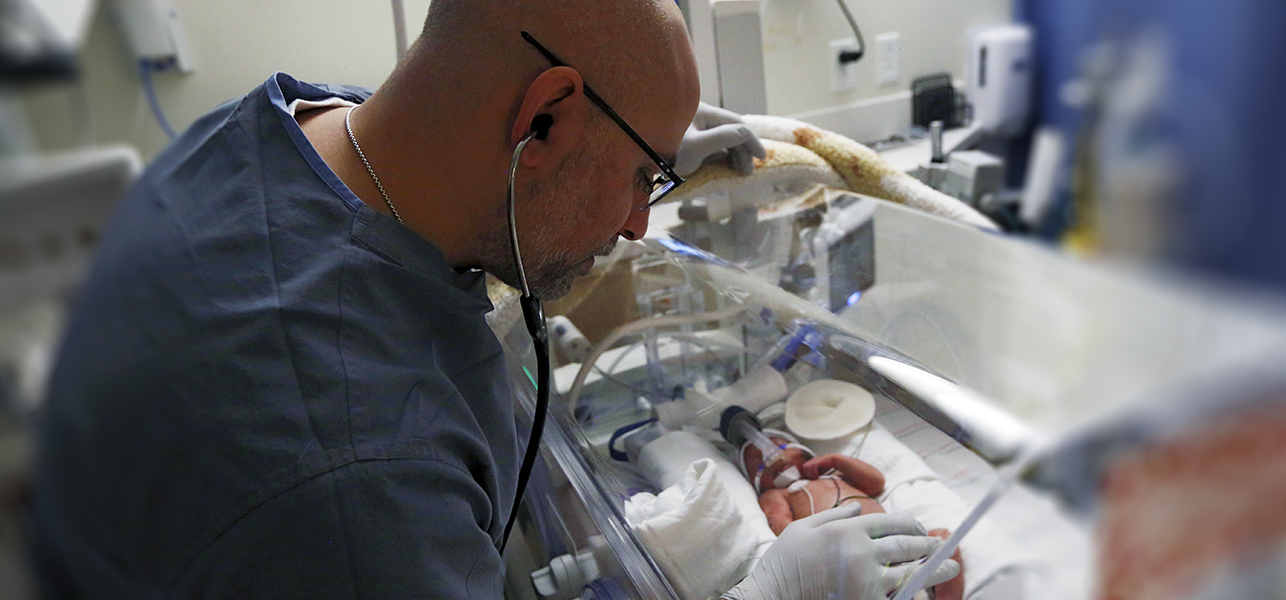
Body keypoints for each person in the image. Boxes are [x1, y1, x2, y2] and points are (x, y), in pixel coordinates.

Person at [30, 0, 951, 597]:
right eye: (641, 179)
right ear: (540, 120)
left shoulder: (291, 132)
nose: (639, 224)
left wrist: (648, 140)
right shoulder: (352, 475)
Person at [739, 434, 966, 600]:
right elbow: (783, 527)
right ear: (753, 482)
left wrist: (837, 460)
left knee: (945, 542)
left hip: (900, 543)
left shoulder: (835, 476)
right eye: (756, 464)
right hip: (855, 557)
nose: (770, 457)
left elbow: (876, 482)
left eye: (781, 446)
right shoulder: (778, 494)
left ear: (802, 451)